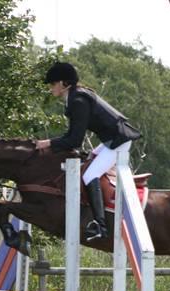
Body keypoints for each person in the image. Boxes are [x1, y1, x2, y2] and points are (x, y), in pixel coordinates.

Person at [36, 62, 141, 240]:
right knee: (88, 162)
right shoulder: (75, 97)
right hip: (109, 141)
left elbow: (74, 140)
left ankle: (101, 225)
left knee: (89, 175)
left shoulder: (78, 100)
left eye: (53, 84)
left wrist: (47, 143)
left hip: (118, 142)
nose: (50, 88)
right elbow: (71, 135)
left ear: (63, 83)